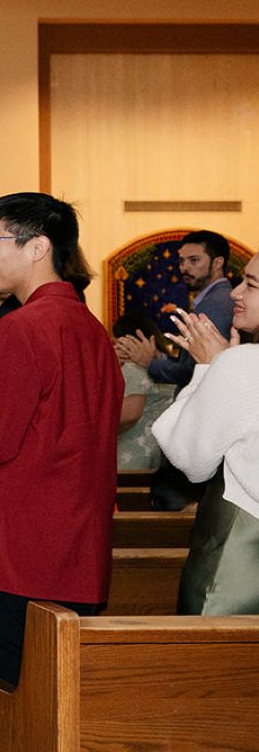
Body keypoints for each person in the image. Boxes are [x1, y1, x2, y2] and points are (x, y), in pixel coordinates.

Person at [0, 193, 119, 687]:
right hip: (77, 551)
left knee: (4, 714)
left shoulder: (22, 327)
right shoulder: (92, 329)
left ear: (38, 247)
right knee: (54, 711)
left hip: (13, 557)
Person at [154, 253, 259, 614]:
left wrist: (207, 371)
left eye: (252, 284)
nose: (235, 293)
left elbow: (189, 458)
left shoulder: (243, 364)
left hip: (239, 569)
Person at [118, 230, 235, 511]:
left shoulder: (216, 303)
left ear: (218, 262)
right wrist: (156, 356)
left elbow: (198, 368)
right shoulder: (208, 300)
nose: (185, 268)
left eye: (194, 260)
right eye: (182, 261)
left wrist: (151, 363)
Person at [112, 310, 172, 472]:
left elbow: (129, 414)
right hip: (159, 453)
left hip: (131, 456)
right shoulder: (166, 366)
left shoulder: (133, 368)